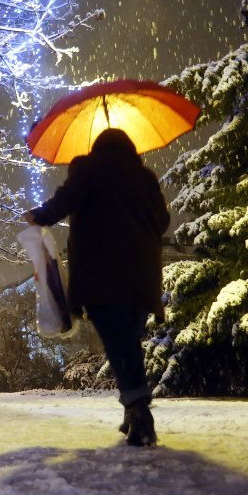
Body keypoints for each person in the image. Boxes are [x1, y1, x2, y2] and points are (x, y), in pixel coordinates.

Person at [23, 128, 170, 447]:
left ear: (97, 147)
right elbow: (162, 221)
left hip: (103, 273)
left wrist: (39, 215)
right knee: (128, 341)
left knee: (119, 344)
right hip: (143, 274)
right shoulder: (144, 177)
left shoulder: (88, 169)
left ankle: (139, 411)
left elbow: (64, 202)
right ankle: (135, 410)